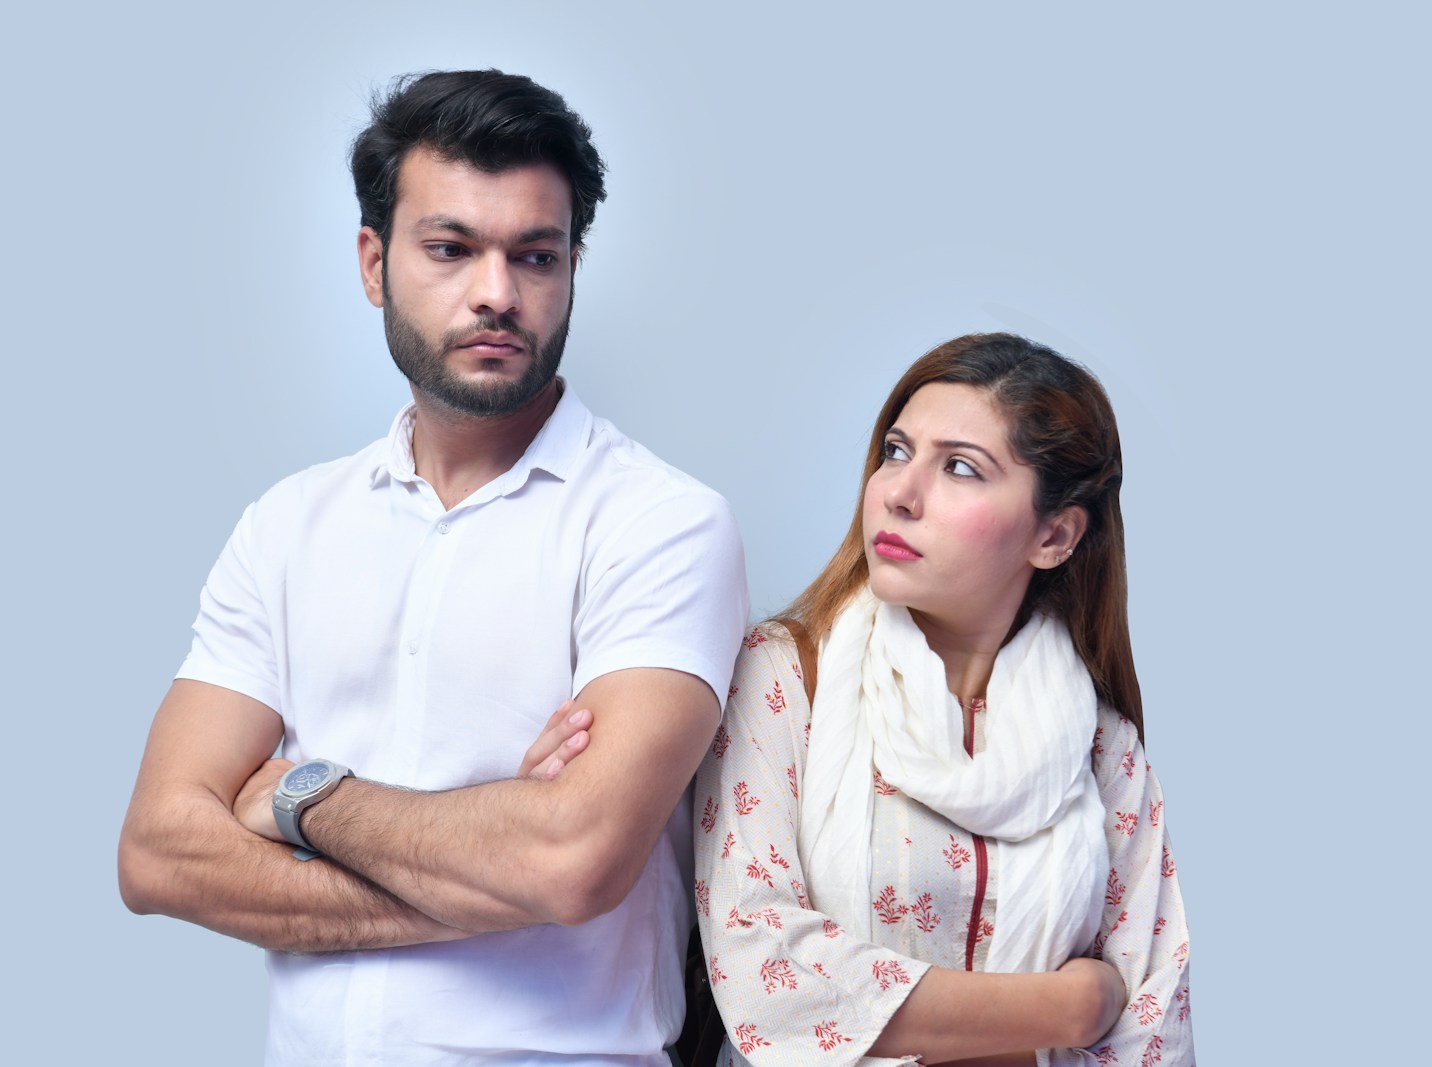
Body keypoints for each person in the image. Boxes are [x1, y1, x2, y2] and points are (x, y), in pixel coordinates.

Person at [117, 70, 748, 1066]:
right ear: (374, 263)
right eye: (450, 248)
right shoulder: (288, 524)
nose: (497, 292)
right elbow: (157, 850)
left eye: (534, 256)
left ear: (571, 267)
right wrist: (491, 877)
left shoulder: (660, 524)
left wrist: (299, 796)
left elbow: (573, 858)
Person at [693, 333, 1193, 1065]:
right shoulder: (784, 679)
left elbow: (1154, 1020)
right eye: (896, 451)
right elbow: (764, 968)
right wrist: (1073, 1005)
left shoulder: (1100, 744)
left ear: (1054, 534)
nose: (899, 490)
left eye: (960, 467)